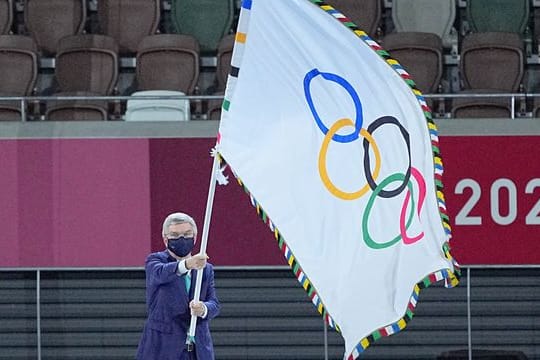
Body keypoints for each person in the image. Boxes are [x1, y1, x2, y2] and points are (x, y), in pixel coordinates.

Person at [136, 212, 220, 360]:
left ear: (195, 237)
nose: (182, 239)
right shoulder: (155, 261)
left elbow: (214, 303)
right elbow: (160, 273)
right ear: (165, 239)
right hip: (162, 349)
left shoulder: (205, 269)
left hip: (198, 350)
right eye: (175, 235)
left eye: (187, 234)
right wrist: (187, 264)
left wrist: (203, 309)